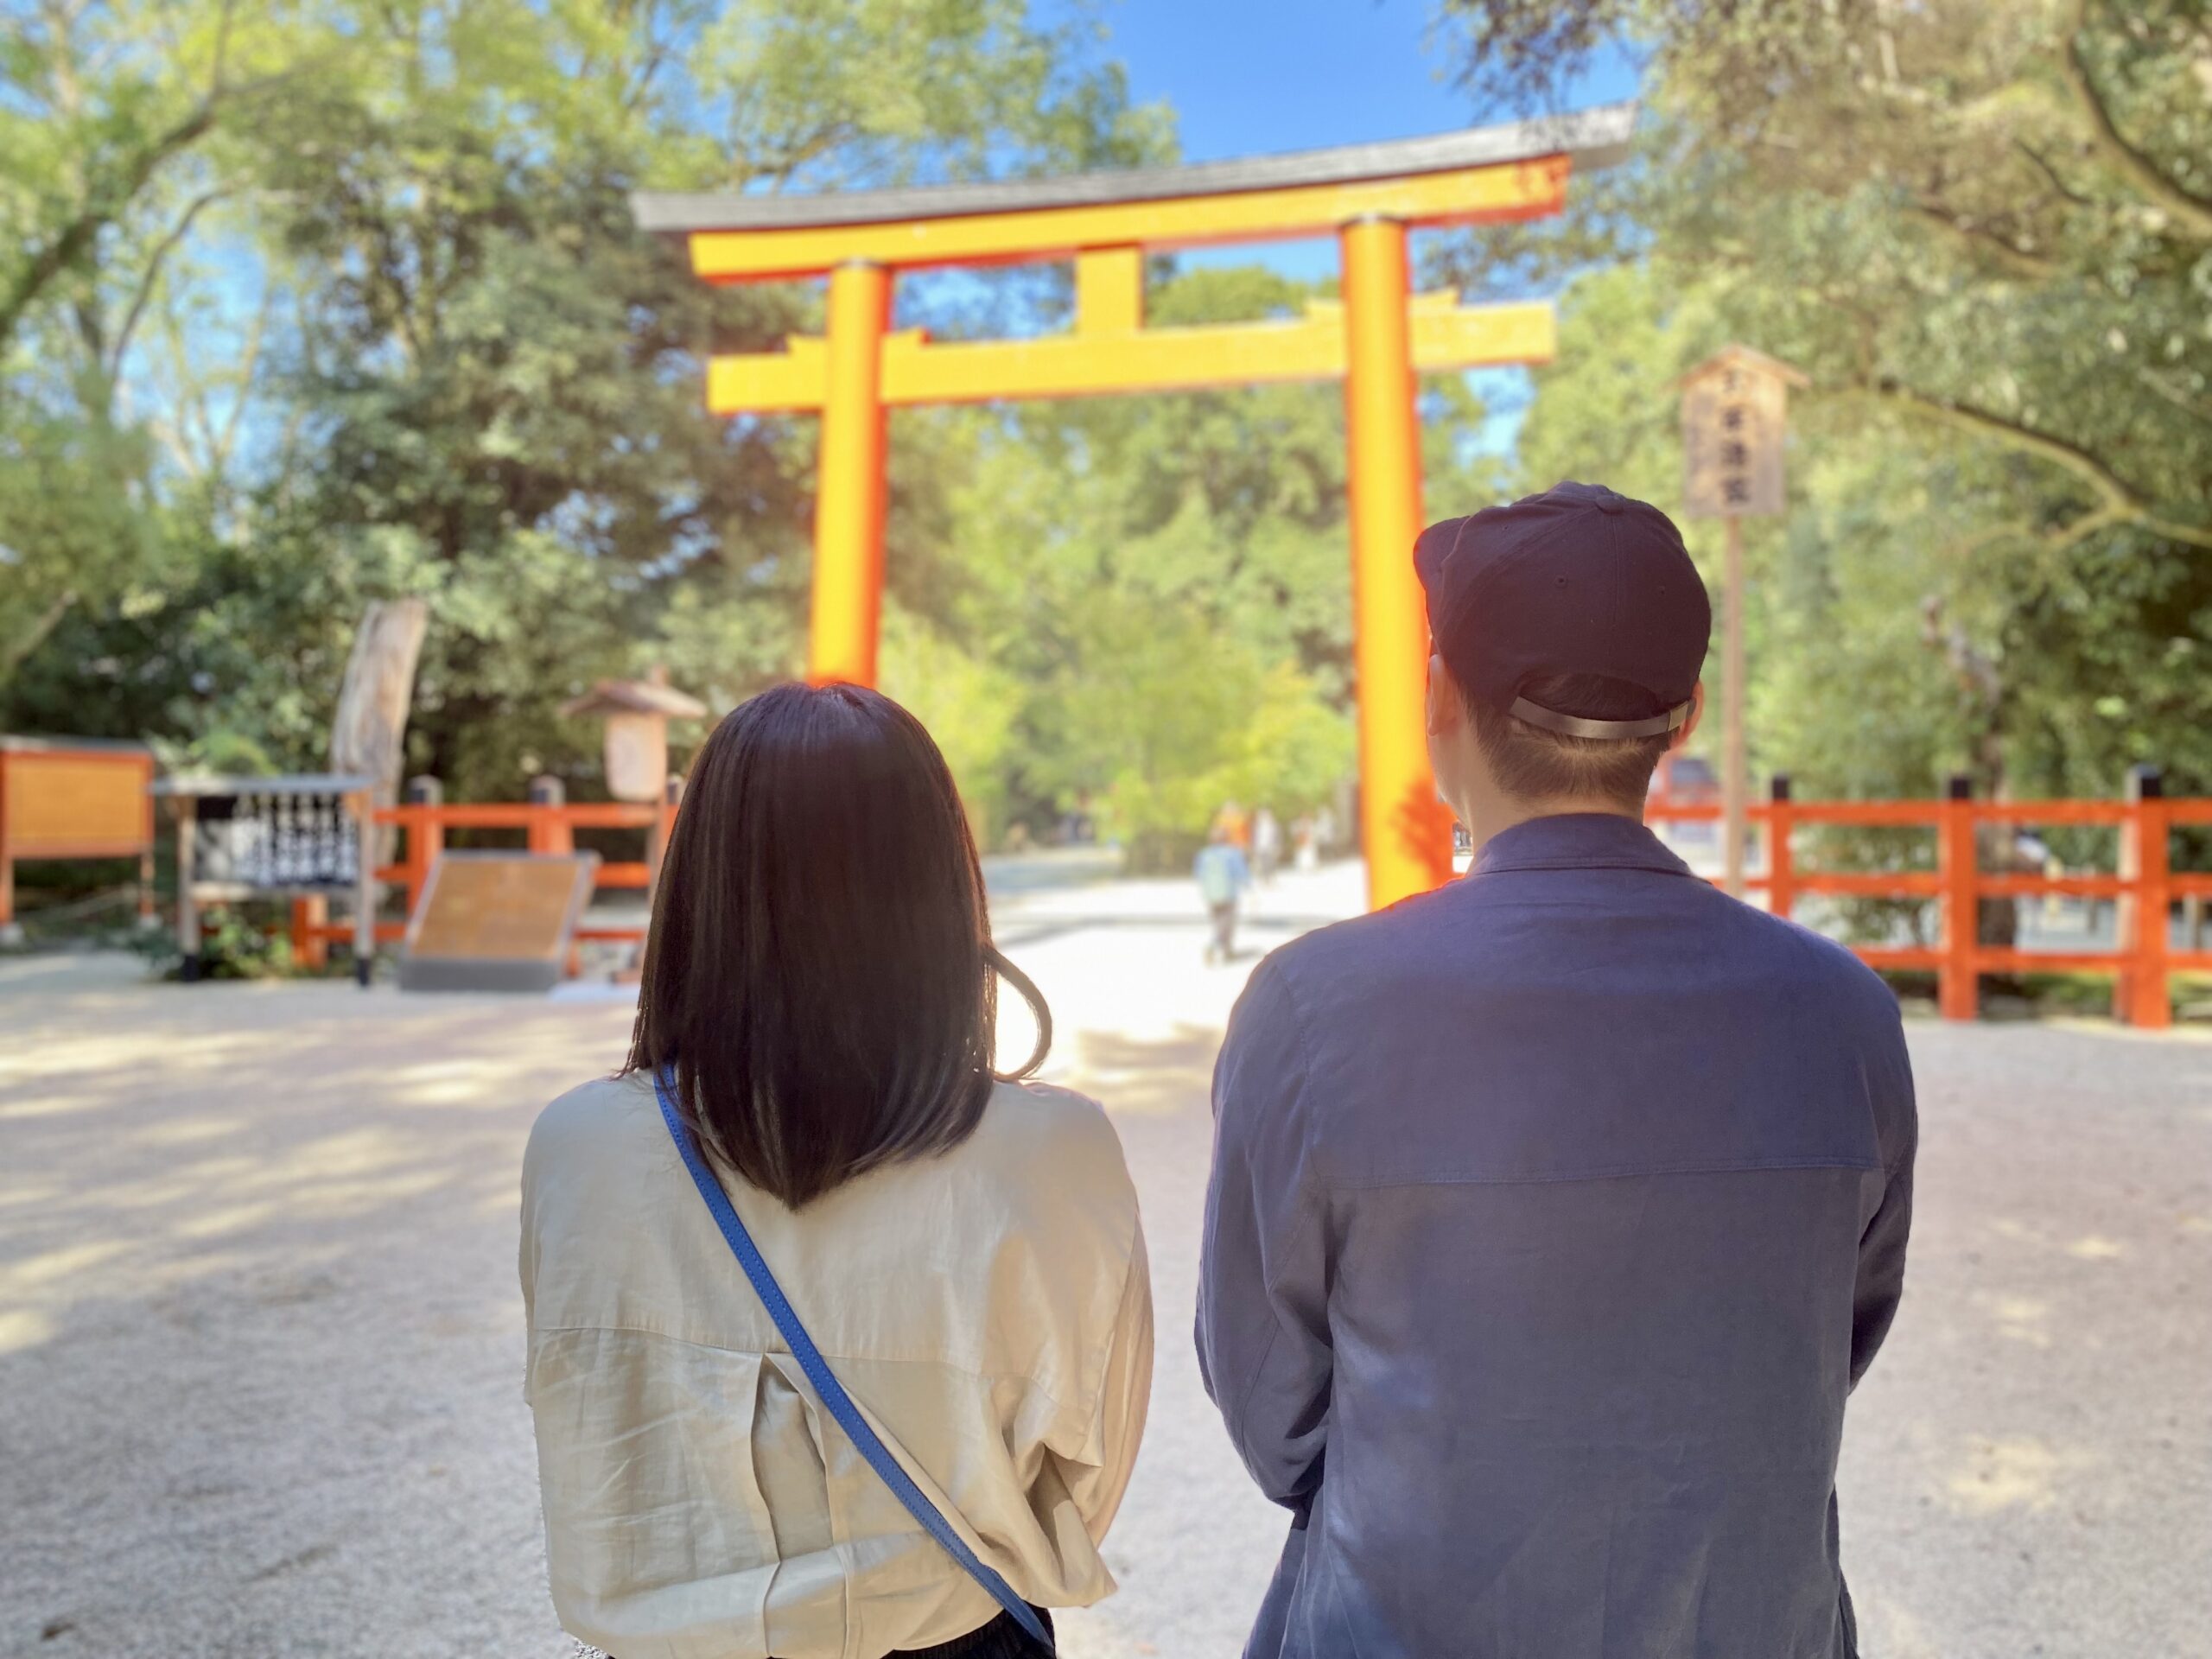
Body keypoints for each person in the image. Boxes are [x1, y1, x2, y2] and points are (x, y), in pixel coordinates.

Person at [1198, 482, 1916, 1659]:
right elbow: (1830, 1342)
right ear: (1680, 718)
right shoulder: (1842, 1011)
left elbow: (1274, 1403)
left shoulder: (1316, 1006)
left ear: (1440, 699)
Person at [523, 683, 1153, 1659]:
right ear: (938, 885)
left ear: (697, 883)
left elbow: (591, 1436)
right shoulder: (1052, 1155)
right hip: (950, 1632)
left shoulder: (579, 1148)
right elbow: (1086, 1474)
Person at [1194, 823, 1253, 964]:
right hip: (1228, 893)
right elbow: (1241, 873)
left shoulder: (1204, 854)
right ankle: (1215, 946)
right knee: (1227, 923)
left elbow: (1199, 874)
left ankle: (1227, 950)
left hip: (1211, 894)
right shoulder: (1232, 853)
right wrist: (1249, 886)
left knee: (1218, 922)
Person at [1251, 806, 1283, 884]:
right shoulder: (1256, 827)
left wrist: (1278, 847)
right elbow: (1253, 838)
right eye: (1263, 815)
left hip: (1271, 847)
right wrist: (1253, 848)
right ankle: (1265, 880)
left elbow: (1279, 837)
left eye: (1266, 815)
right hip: (1260, 847)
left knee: (1271, 863)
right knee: (1262, 864)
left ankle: (1271, 878)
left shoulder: (1275, 826)